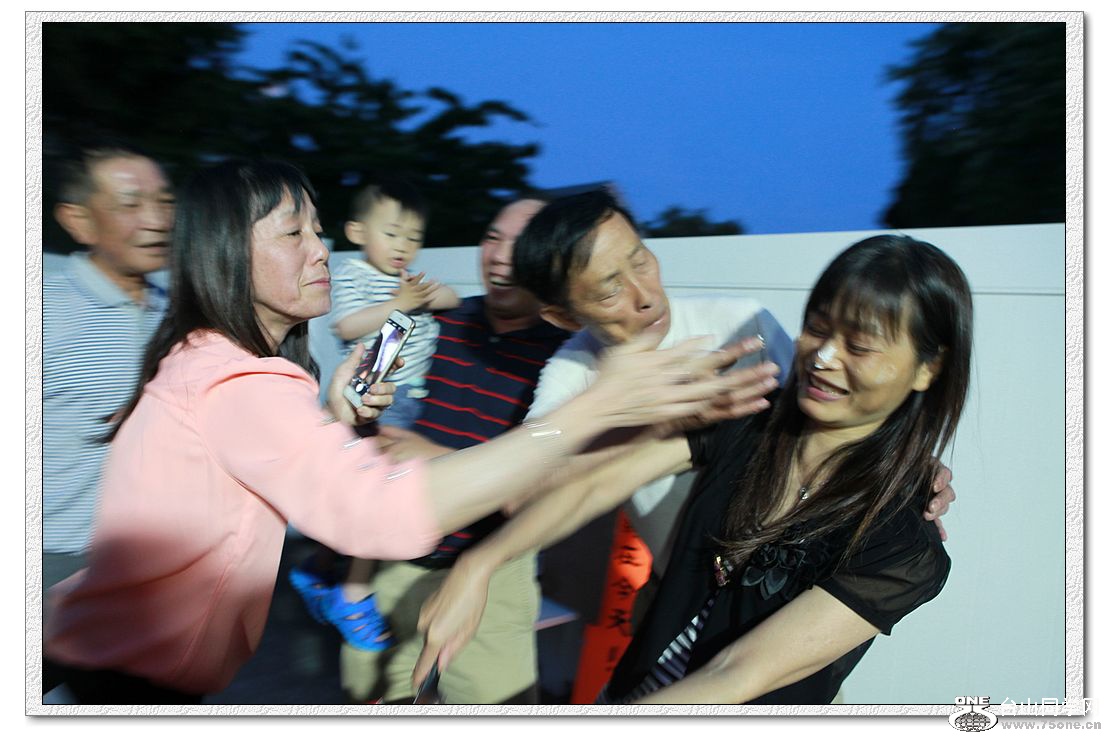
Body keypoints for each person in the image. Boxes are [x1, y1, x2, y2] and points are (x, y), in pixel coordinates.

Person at [40, 160, 769, 705]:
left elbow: (258, 476)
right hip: (116, 684)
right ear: (227, 251)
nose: (322, 249)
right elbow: (381, 508)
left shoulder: (220, 362)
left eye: (317, 229)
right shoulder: (235, 378)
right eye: (293, 232)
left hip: (113, 658)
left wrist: (337, 419)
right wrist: (594, 408)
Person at [410, 194, 955, 687]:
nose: (644, 296)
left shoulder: (741, 325)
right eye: (609, 289)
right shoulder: (573, 375)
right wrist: (652, 422)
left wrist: (907, 461)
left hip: (760, 615)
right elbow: (541, 489)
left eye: (641, 260)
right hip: (675, 582)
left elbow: (836, 413)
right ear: (561, 315)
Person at [305, 177, 460, 653]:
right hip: (376, 393)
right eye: (392, 233)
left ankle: (317, 572)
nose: (403, 246)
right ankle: (352, 594)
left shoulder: (406, 281)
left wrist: (417, 297)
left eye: (413, 237)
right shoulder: (355, 275)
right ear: (357, 232)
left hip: (403, 394)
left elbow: (453, 299)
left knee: (361, 492)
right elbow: (347, 325)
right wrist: (401, 304)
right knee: (380, 494)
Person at [43, 142, 174, 590]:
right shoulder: (42, 309)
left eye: (165, 202)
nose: (157, 220)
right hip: (57, 558)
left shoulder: (181, 310)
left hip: (160, 557)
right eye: (130, 205)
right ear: (78, 220)